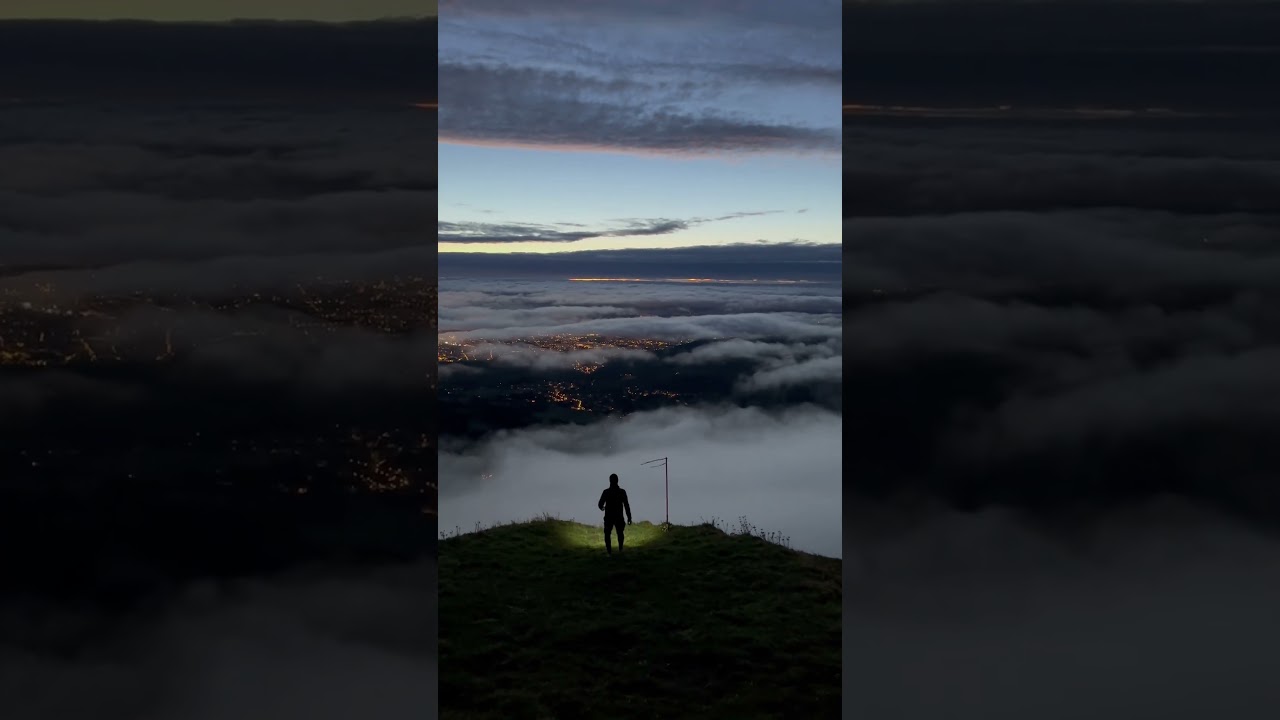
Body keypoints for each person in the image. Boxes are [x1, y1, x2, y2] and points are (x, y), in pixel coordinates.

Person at [597, 473, 632, 554]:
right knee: (620, 533)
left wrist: (603, 508)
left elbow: (600, 504)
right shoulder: (622, 492)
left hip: (609, 516)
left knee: (608, 534)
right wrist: (629, 517)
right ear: (617, 481)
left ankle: (609, 552)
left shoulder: (606, 492)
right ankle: (620, 549)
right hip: (618, 516)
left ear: (610, 481)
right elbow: (626, 505)